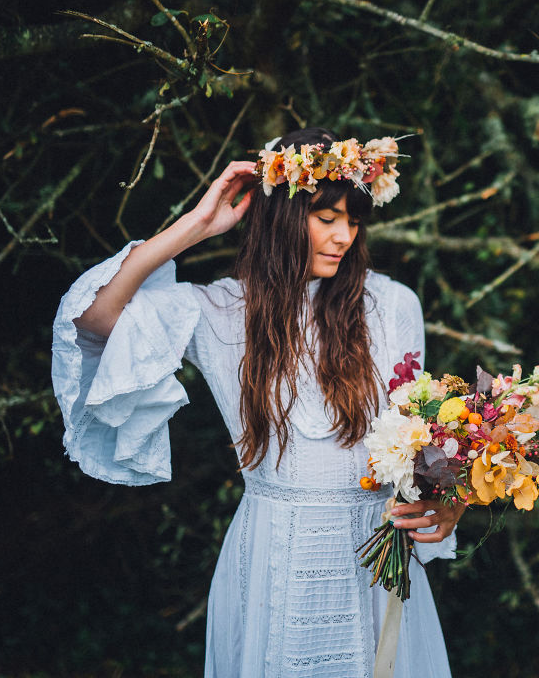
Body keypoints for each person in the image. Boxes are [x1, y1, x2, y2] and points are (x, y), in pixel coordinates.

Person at [51, 127, 461, 677]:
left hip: (375, 555)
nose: (343, 236)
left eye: (353, 221)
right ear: (283, 218)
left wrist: (449, 501)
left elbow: (422, 441)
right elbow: (93, 322)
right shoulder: (222, 310)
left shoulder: (391, 305)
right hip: (275, 557)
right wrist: (197, 224)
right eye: (326, 217)